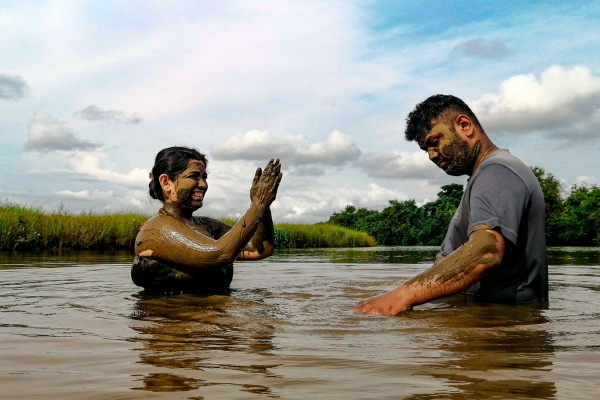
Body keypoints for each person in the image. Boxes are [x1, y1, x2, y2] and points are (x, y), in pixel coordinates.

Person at [354, 94, 548, 316]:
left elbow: (485, 251)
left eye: (434, 142)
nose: (431, 155)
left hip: (497, 329)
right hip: (477, 318)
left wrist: (400, 296)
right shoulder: (486, 176)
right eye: (425, 150)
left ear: (464, 125)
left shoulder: (496, 172)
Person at [131, 146, 282, 294]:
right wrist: (258, 204)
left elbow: (260, 249)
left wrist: (264, 206)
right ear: (166, 182)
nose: (203, 184)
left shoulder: (207, 225)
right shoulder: (157, 228)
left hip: (214, 314)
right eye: (194, 176)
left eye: (204, 177)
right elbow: (220, 254)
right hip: (172, 317)